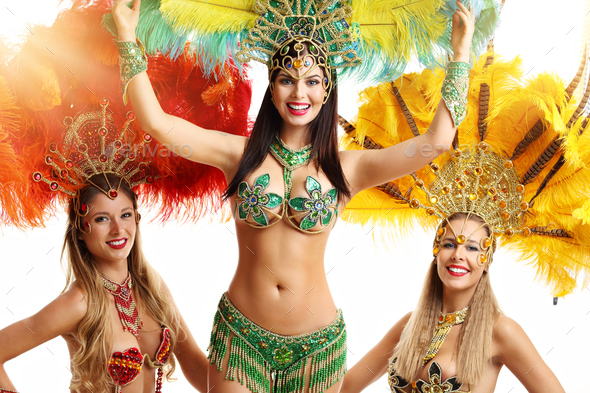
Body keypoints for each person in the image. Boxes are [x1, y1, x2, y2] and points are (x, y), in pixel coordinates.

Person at [111, 0, 485, 392]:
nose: (298, 92)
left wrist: (460, 56)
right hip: (241, 337)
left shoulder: (348, 169)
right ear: (271, 88)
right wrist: (125, 37)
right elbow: (157, 124)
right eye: (287, 79)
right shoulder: (236, 155)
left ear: (327, 90)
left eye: (312, 81)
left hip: (316, 348)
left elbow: (435, 143)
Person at [336, 49, 590, 392]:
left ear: (486, 260)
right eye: (450, 244)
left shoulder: (501, 332)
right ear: (436, 251)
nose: (459, 255)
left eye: (473, 247)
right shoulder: (408, 327)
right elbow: (345, 386)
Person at [0, 100, 209, 393]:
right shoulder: (79, 302)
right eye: (101, 218)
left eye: (125, 215)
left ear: (136, 218)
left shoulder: (152, 287)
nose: (117, 229)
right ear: (81, 231)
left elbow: (197, 367)